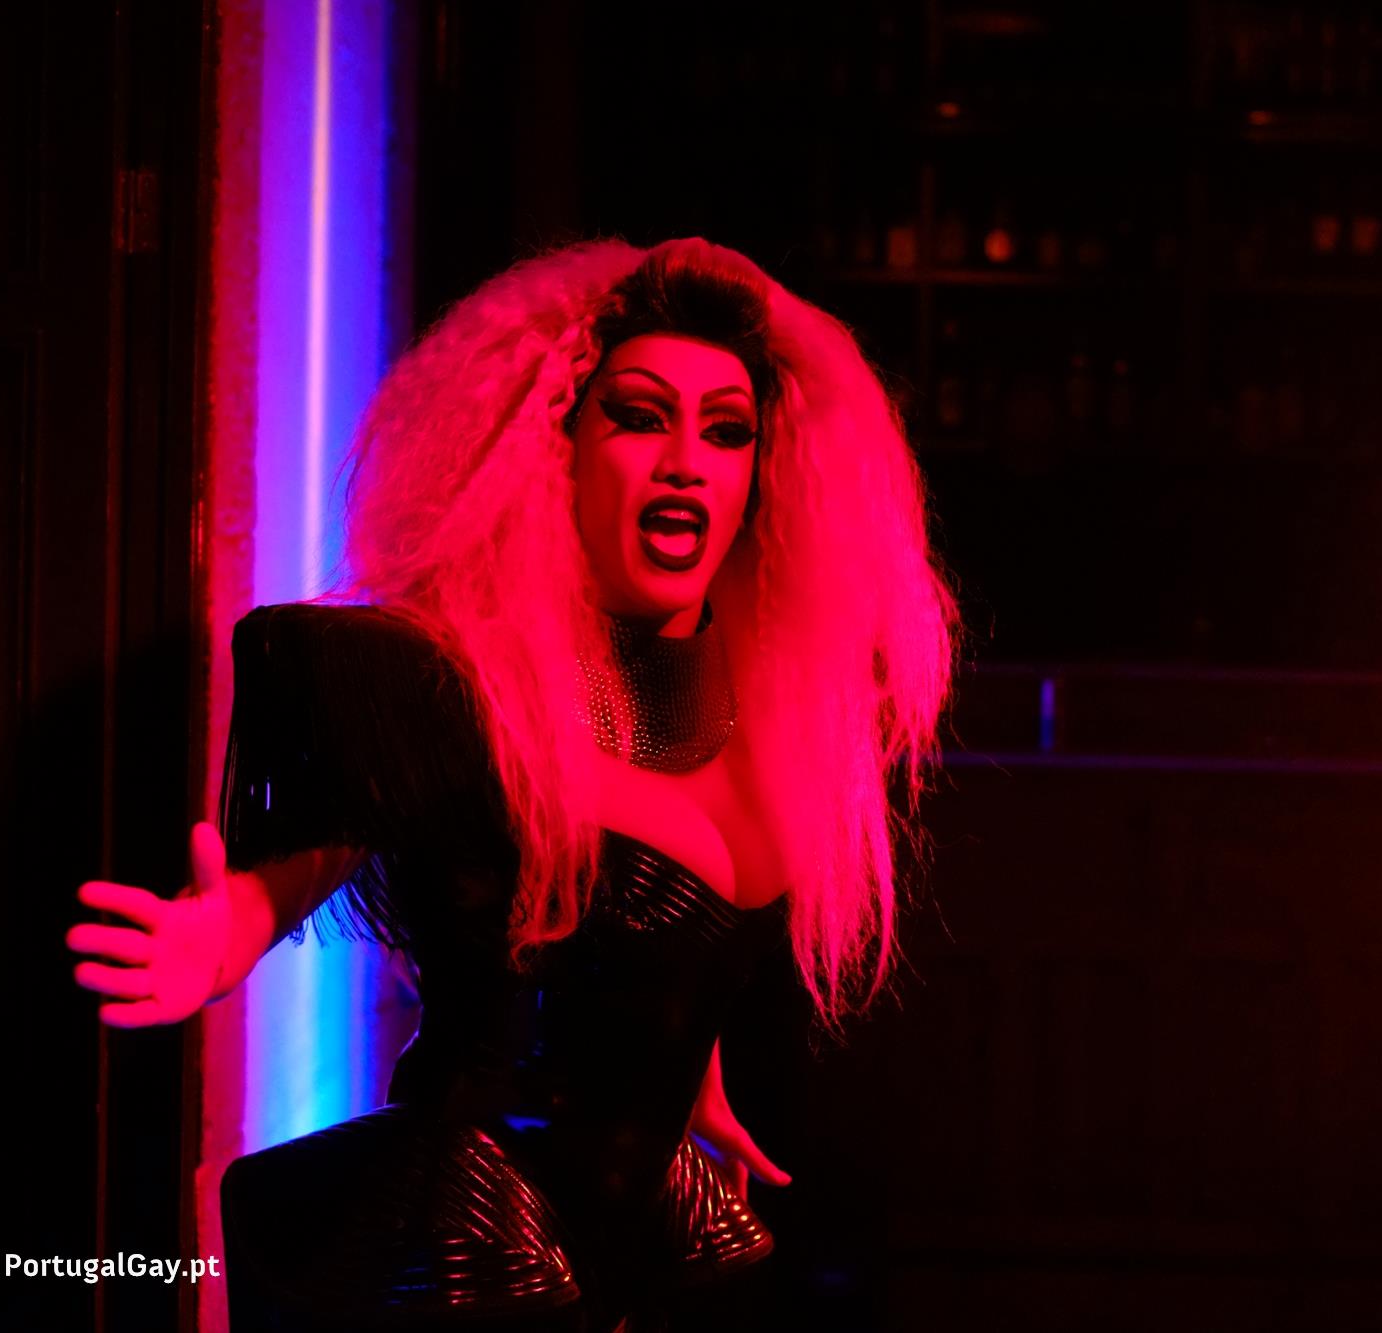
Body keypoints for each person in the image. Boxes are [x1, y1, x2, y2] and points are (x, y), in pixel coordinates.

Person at [66, 237, 959, 1331]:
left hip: (642, 1221)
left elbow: (665, 958)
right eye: (640, 417)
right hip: (476, 1225)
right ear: (556, 450)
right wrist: (229, 927)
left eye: (727, 431)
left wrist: (690, 1076)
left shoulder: (763, 718)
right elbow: (332, 836)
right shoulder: (469, 688)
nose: (686, 461)